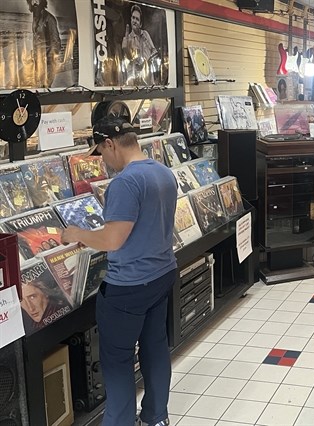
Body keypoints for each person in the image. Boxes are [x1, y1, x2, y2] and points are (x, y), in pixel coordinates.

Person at [60, 116, 178, 426]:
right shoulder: (163, 172)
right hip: (162, 274)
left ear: (110, 144)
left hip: (128, 286)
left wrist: (77, 234)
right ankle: (156, 417)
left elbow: (112, 240)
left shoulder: (125, 182)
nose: (103, 162)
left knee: (117, 361)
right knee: (154, 348)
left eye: (101, 152)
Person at [27, 0, 61, 88]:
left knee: (45, 87)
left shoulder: (49, 18)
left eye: (37, 0)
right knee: (38, 87)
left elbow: (56, 41)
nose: (34, 3)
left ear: (42, 2)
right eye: (32, 0)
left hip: (47, 60)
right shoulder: (36, 17)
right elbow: (37, 38)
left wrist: (50, 60)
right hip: (38, 58)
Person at [122, 4, 157, 86]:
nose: (134, 21)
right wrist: (125, 49)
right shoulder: (128, 39)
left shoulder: (145, 34)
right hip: (134, 82)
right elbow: (129, 59)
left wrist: (146, 61)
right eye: (133, 18)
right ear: (130, 19)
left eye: (137, 19)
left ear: (140, 24)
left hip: (148, 79)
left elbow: (154, 51)